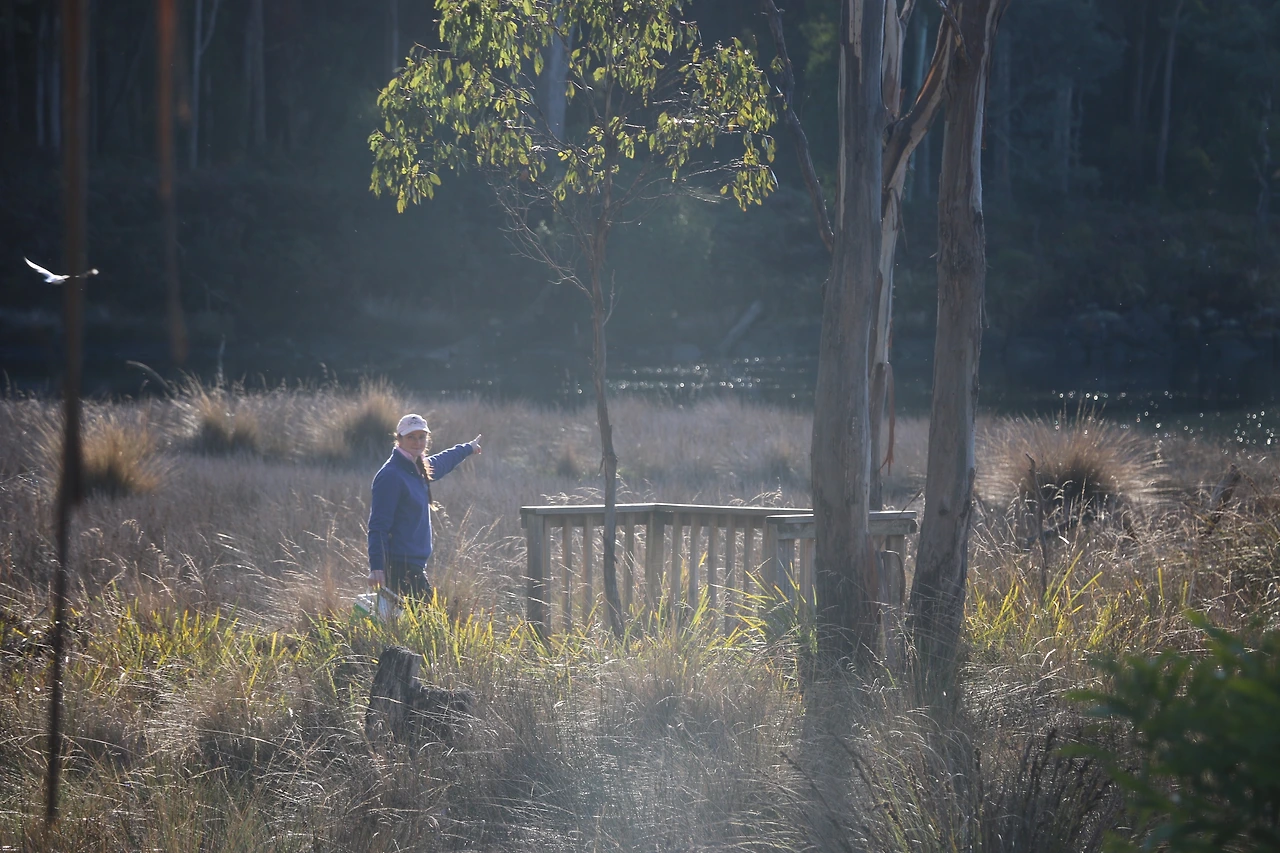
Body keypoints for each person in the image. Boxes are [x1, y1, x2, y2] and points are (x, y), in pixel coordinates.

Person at [367, 413, 482, 600]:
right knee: (428, 623)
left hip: (413, 567)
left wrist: (468, 448)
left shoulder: (417, 468)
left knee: (411, 625)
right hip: (399, 567)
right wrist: (377, 567)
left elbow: (442, 461)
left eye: (422, 437)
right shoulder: (391, 475)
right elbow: (378, 526)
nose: (417, 442)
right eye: (411, 437)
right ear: (399, 439)